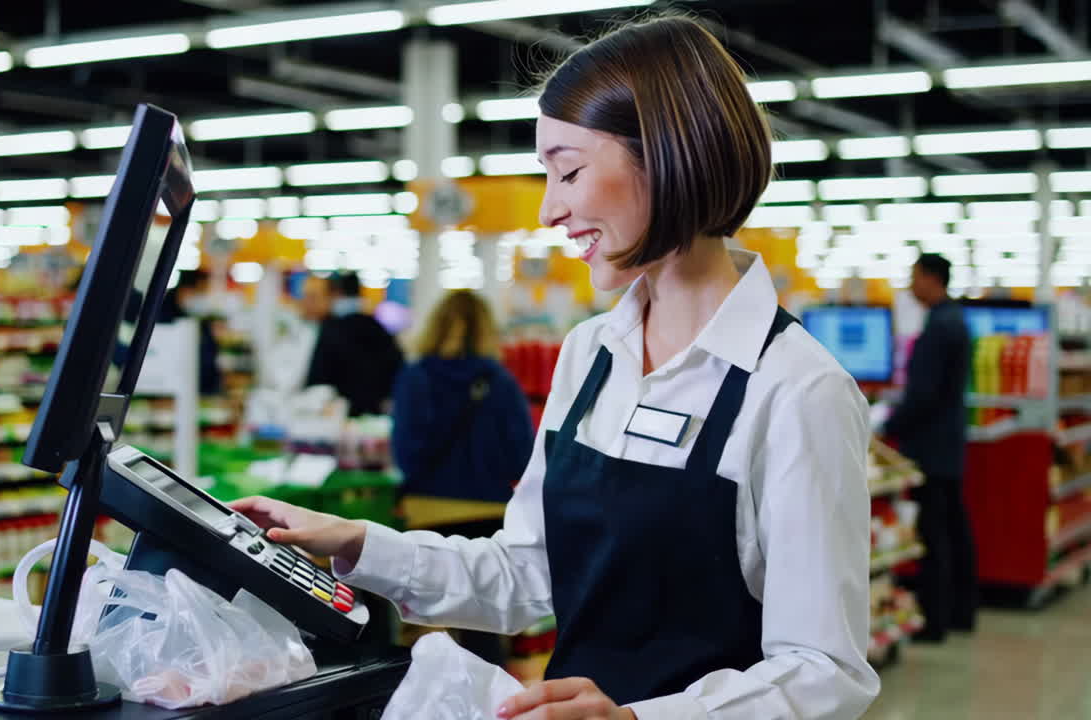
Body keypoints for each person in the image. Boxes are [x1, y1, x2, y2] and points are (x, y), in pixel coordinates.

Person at [235, 15, 878, 720]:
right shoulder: (590, 356)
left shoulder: (797, 390)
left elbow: (825, 671)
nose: (549, 209)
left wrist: (638, 719)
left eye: (568, 170)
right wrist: (359, 544)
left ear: (667, 155)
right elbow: (528, 571)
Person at [390, 290, 534, 665]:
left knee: (427, 629)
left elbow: (407, 455)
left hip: (429, 515)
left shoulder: (416, 377)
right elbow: (522, 457)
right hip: (489, 514)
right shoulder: (500, 382)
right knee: (483, 629)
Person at [884, 253, 975, 642]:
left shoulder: (940, 327)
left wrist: (888, 425)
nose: (910, 284)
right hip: (946, 443)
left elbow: (923, 395)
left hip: (931, 447)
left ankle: (935, 621)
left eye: (914, 276)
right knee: (953, 526)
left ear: (931, 278)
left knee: (934, 533)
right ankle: (960, 612)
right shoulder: (952, 321)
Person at [304, 271, 404, 417]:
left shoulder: (331, 330)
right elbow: (398, 368)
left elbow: (317, 378)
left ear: (336, 294)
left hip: (338, 414)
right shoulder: (378, 328)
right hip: (375, 412)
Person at [158, 269, 222, 396]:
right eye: (200, 292)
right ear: (185, 290)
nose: (203, 297)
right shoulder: (160, 319)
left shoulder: (199, 318)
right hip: (168, 391)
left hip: (201, 389)